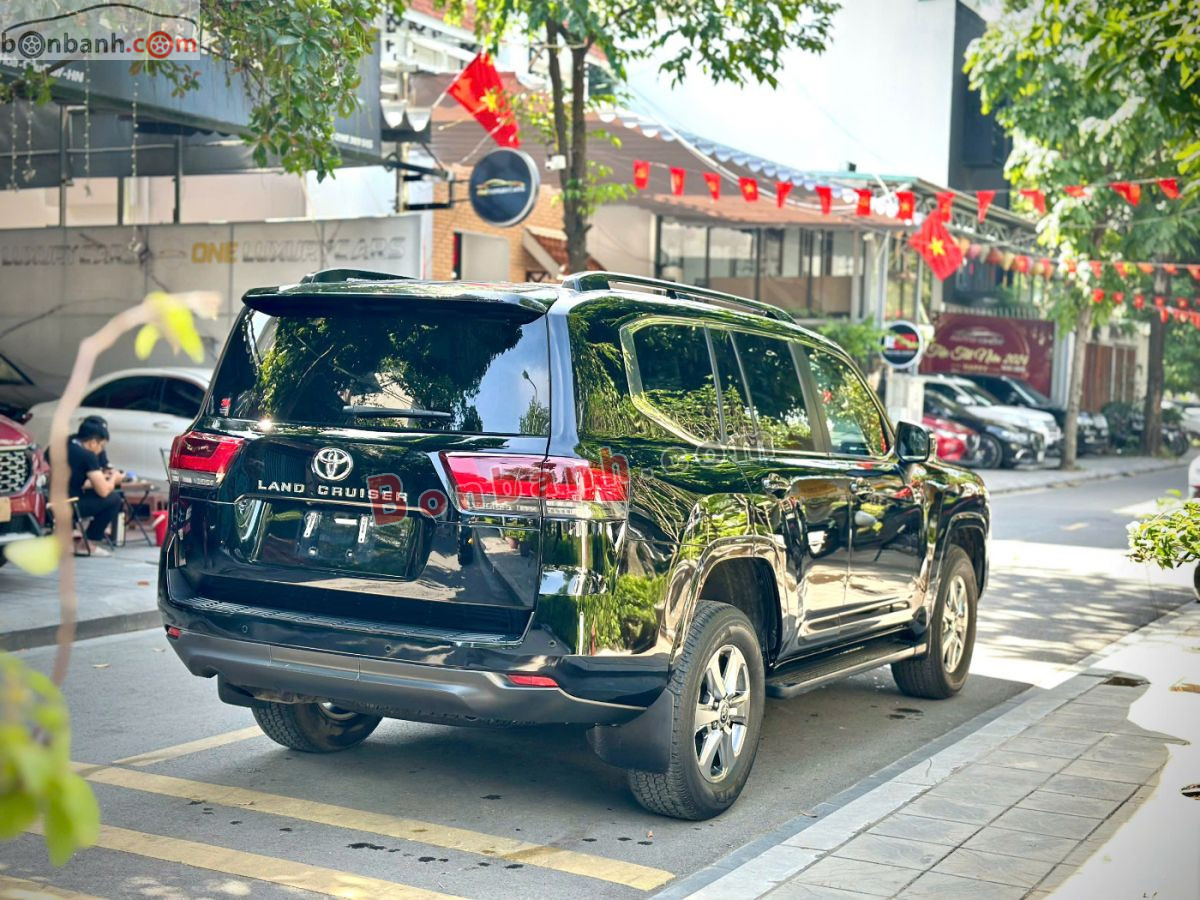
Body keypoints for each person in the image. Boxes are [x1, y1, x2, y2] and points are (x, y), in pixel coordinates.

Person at [68, 418, 125, 556]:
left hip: (47, 502)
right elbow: (103, 491)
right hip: (69, 505)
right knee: (114, 499)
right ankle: (87, 544)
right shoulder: (87, 455)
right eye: (102, 445)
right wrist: (114, 478)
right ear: (93, 442)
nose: (101, 450)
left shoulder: (61, 445)